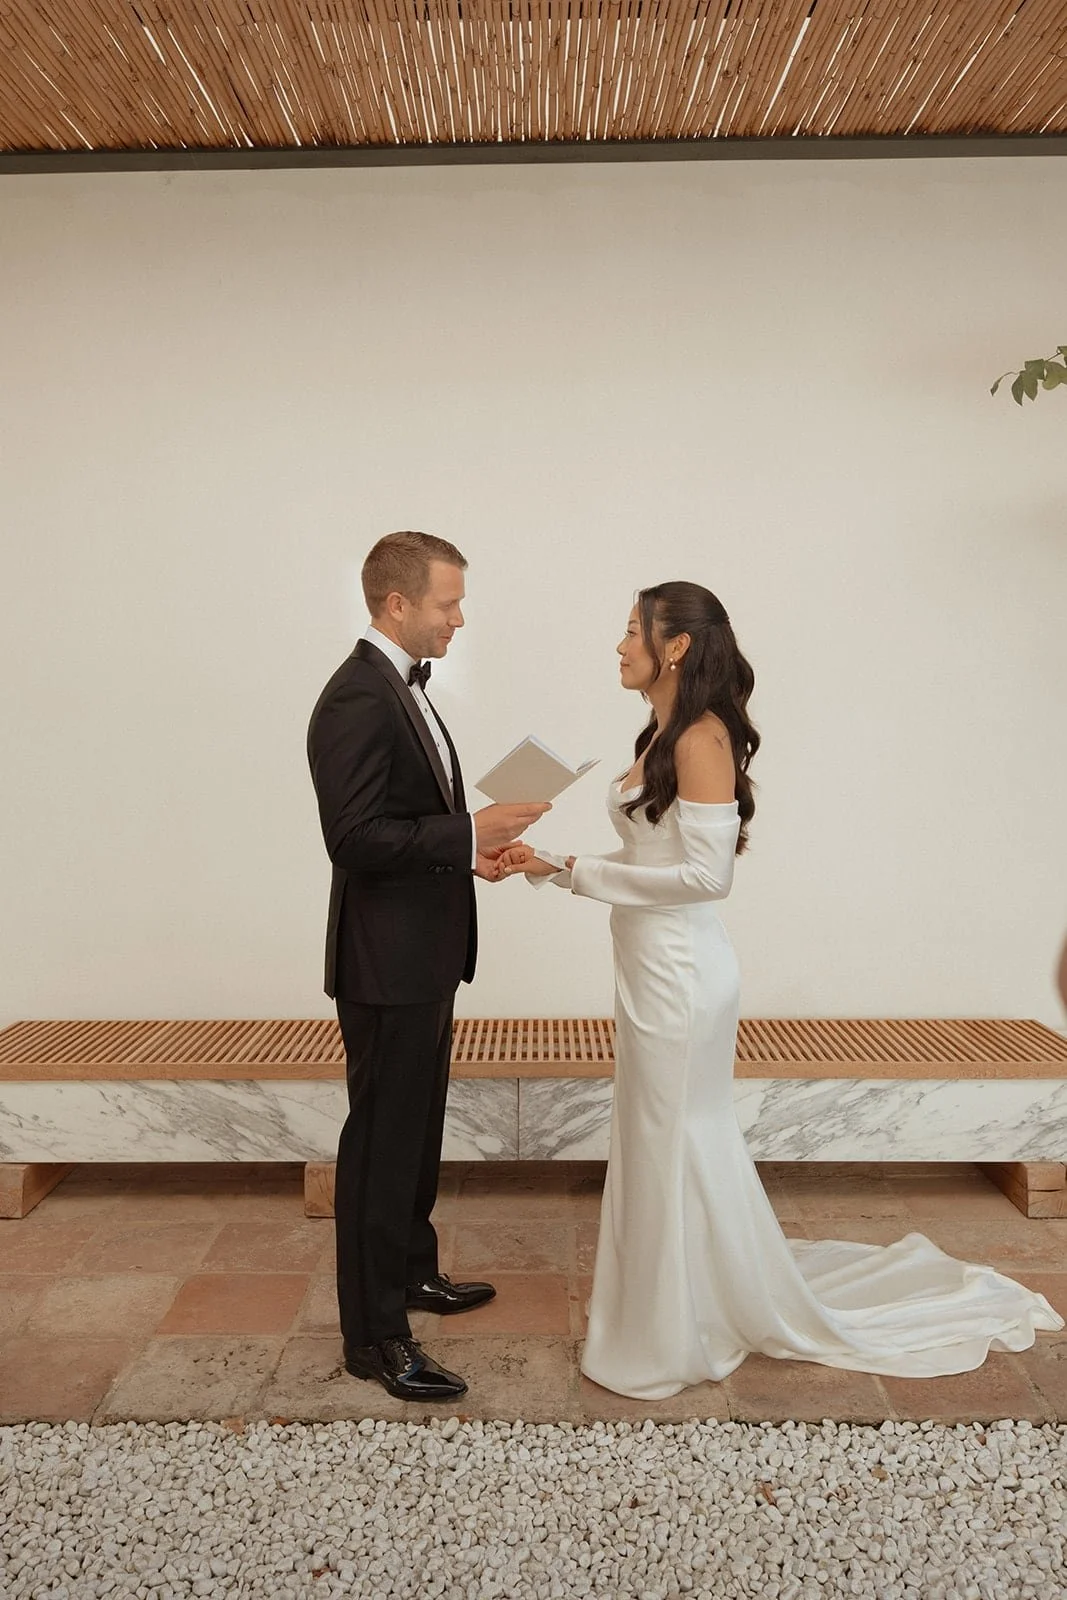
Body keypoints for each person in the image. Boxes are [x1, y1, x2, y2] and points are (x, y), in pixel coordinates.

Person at [499, 581, 1063, 1400]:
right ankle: (672, 1306)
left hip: (683, 974)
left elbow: (704, 876)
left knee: (676, 1136)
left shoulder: (700, 737)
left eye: (631, 631)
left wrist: (575, 871)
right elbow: (658, 859)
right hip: (649, 966)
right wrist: (551, 866)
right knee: (660, 1136)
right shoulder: (658, 730)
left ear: (678, 645)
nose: (618, 646)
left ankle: (668, 1332)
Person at [307, 531, 549, 1401]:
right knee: (379, 1146)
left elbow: (406, 825)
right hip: (387, 963)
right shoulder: (355, 700)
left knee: (415, 1134)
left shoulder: (397, 688)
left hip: (426, 952)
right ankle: (373, 1340)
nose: (459, 618)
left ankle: (412, 1274)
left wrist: (468, 852)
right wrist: (464, 834)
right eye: (447, 603)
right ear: (396, 604)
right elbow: (354, 839)